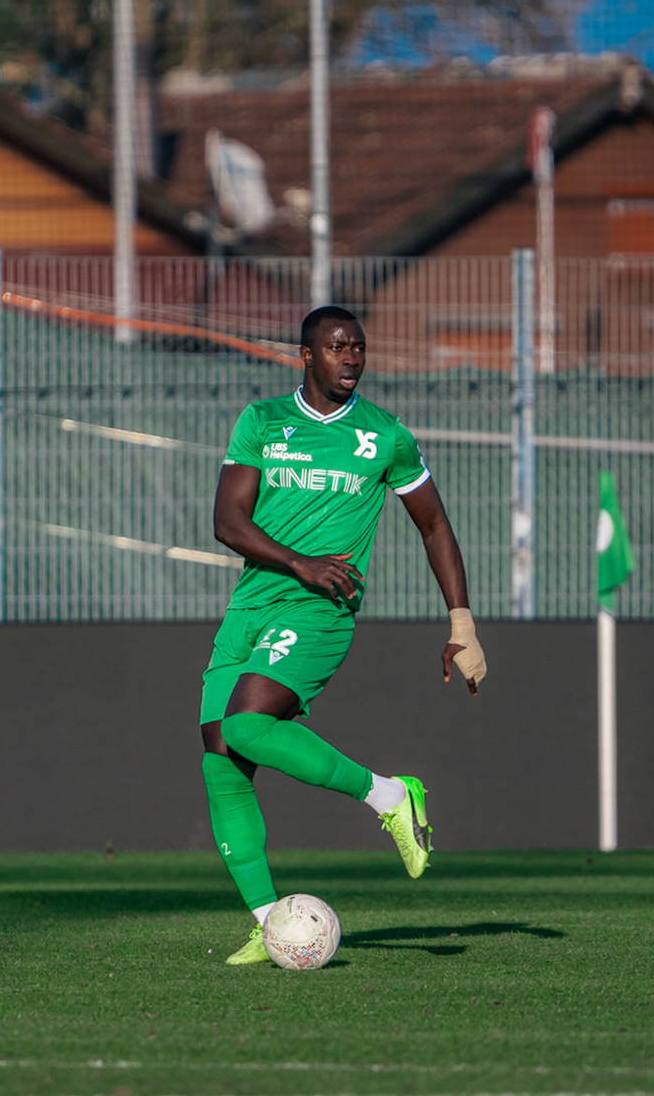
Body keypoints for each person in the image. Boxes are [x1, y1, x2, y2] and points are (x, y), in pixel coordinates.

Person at [202, 306, 487, 966]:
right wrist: (296, 559)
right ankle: (271, 922)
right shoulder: (263, 422)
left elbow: (435, 527)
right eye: (336, 347)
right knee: (221, 759)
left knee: (246, 726)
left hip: (319, 610)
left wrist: (461, 624)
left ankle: (391, 796)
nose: (350, 357)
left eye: (357, 347)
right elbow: (226, 519)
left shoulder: (384, 436)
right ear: (306, 356)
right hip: (252, 607)